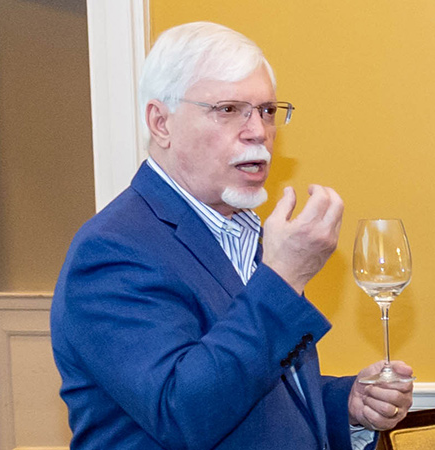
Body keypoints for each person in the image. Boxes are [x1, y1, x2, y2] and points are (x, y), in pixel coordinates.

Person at [50, 21, 414, 450]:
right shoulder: (112, 251)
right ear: (160, 122)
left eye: (266, 111)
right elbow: (182, 411)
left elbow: (258, 394)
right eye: (228, 109)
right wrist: (283, 279)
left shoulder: (251, 232)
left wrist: (344, 404)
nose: (258, 131)